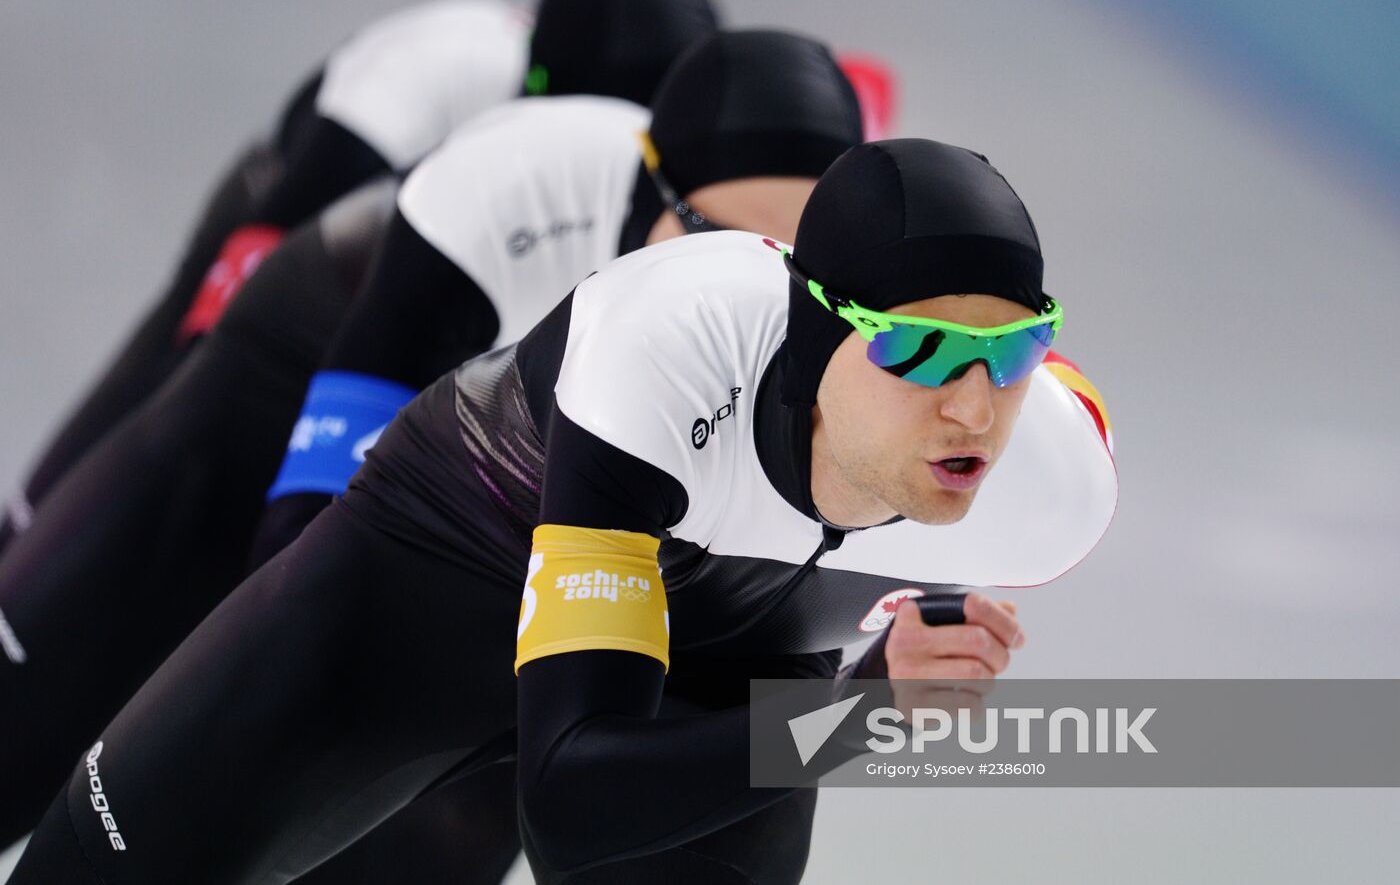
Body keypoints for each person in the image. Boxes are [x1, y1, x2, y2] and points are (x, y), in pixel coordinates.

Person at [9, 138, 1117, 884]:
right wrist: (856, 714)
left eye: (1012, 351)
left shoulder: (1048, 484)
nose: (973, 405)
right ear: (816, 334)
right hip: (435, 580)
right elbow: (572, 800)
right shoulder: (664, 344)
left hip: (729, 647)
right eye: (918, 347)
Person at [0, 29, 864, 877]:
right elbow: (310, 549)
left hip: (535, 544)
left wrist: (877, 708)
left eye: (795, 270)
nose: (749, 281)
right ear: (650, 177)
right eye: (714, 231)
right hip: (286, 416)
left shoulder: (877, 396)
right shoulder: (520, 185)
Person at [0, 0, 718, 555]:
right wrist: (192, 392)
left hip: (429, 246)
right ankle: (33, 524)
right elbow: (256, 246)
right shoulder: (439, 72)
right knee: (159, 418)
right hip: (294, 206)